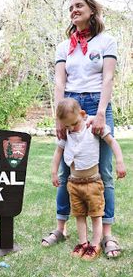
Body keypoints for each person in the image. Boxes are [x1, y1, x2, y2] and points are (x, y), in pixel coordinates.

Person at [42, 0, 122, 258]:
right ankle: (61, 228)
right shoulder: (64, 47)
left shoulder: (106, 42)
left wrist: (100, 113)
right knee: (67, 171)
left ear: (91, 10)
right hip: (71, 105)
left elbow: (108, 78)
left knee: (105, 172)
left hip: (98, 103)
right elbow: (59, 83)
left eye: (79, 6)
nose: (74, 10)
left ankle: (107, 236)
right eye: (71, 8)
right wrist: (58, 117)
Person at [51, 98, 126, 260]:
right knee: (79, 215)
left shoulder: (93, 127)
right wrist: (54, 172)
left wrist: (119, 161)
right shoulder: (67, 132)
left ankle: (95, 244)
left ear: (82, 114)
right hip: (74, 184)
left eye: (73, 124)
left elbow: (112, 142)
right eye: (67, 126)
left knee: (96, 215)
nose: (70, 128)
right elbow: (58, 152)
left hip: (93, 183)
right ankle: (83, 242)